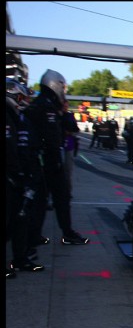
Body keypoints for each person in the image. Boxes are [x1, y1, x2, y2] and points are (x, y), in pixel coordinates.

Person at [24, 69, 89, 246]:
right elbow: (51, 138)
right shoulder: (46, 107)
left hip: (43, 161)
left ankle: (35, 234)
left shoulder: (43, 105)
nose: (63, 90)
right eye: (62, 86)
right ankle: (65, 233)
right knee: (56, 199)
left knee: (42, 200)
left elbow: (66, 129)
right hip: (47, 161)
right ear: (54, 84)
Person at [6, 78, 45, 275]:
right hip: (10, 177)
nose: (24, 101)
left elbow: (28, 148)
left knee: (21, 220)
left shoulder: (20, 118)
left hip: (21, 177)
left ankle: (20, 259)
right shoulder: (8, 117)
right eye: (20, 96)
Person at [62, 101, 80, 194]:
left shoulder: (70, 116)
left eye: (66, 105)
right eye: (63, 105)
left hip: (69, 145)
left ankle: (67, 192)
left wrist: (70, 133)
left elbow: (76, 130)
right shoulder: (57, 115)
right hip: (58, 145)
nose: (65, 107)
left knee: (68, 171)